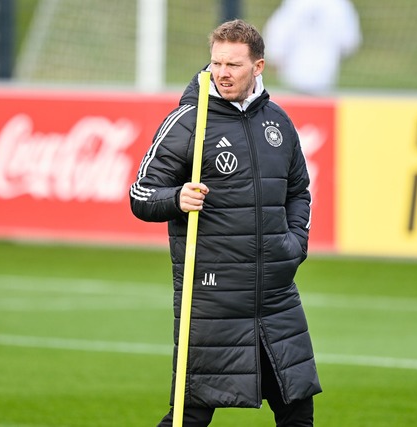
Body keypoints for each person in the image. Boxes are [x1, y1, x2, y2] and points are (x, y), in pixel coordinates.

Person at [129, 19, 322, 426]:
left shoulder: (279, 123)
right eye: (216, 62)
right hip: (214, 300)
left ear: (258, 66)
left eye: (233, 64)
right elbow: (141, 194)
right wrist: (175, 199)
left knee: (297, 407)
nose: (222, 73)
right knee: (191, 413)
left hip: (275, 296)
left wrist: (294, 245)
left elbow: (298, 191)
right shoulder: (187, 122)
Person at [262, 0, 361, 94]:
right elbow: (349, 41)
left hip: (294, 74)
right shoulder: (340, 5)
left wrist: (276, 58)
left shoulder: (294, 4)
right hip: (325, 74)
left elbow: (277, 35)